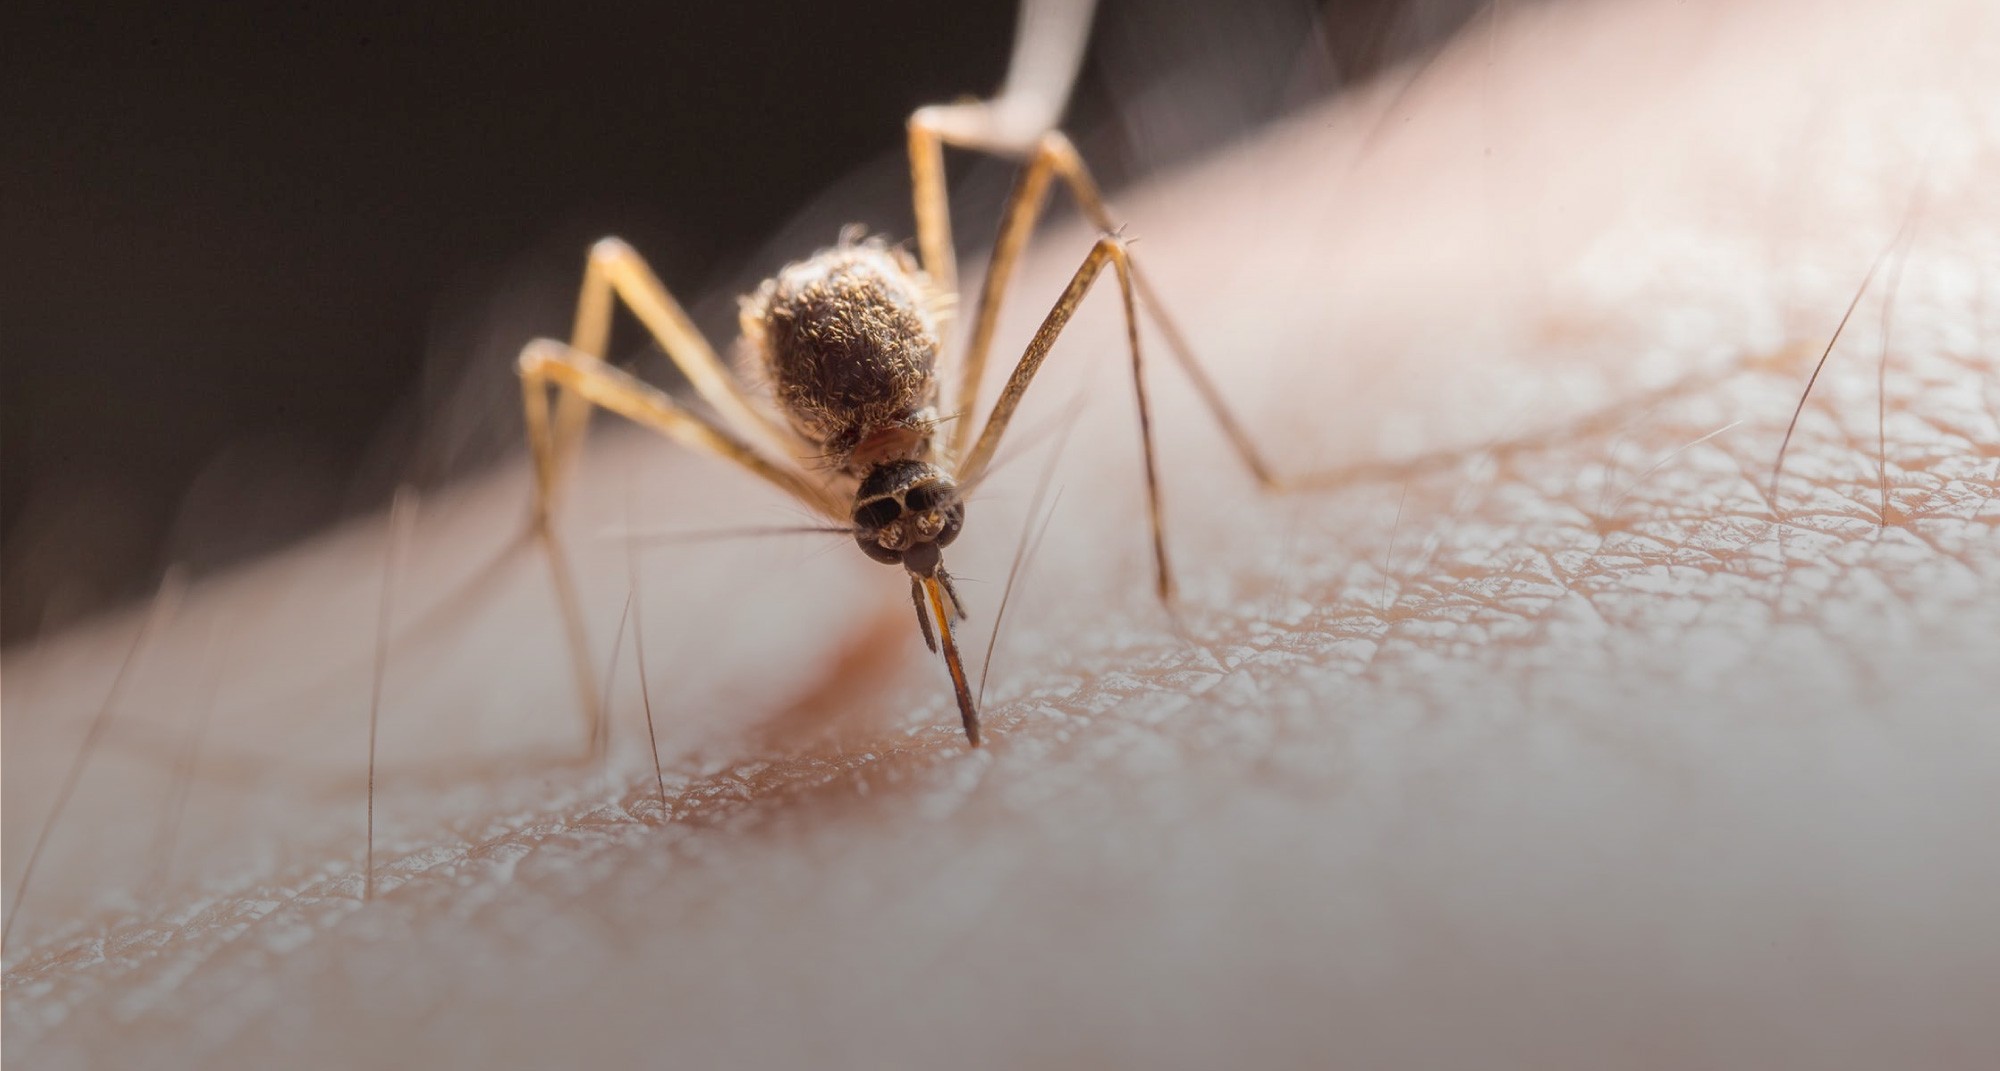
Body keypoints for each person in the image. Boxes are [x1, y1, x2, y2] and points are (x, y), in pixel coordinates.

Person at [4, 0, 1997, 1065]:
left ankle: (1277, 483)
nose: (913, 549)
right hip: (816, 350)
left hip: (891, 321)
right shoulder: (826, 452)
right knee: (576, 339)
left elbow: (1075, 211)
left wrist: (1191, 516)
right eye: (904, 521)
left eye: (914, 520)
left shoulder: (935, 412)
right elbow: (590, 355)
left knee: (1072, 205)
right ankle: (494, 653)